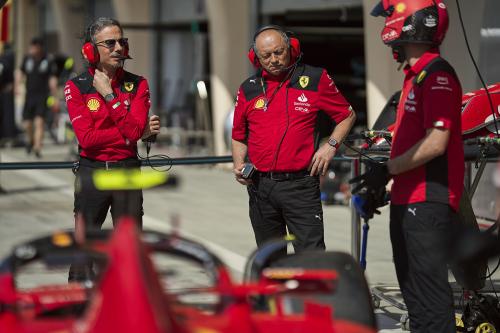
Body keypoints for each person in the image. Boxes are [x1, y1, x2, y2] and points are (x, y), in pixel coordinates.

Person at [352, 1, 463, 331]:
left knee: (430, 298)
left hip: (428, 203)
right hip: (408, 200)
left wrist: (386, 170)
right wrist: (384, 188)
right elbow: (410, 145)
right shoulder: (414, 78)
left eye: (389, 16)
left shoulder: (437, 74)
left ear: (409, 21)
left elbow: (435, 143)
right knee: (414, 298)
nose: (386, 25)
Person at [232, 25, 356, 254]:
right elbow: (239, 134)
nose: (273, 60)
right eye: (266, 56)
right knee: (270, 259)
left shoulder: (316, 78)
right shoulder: (248, 88)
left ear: (291, 48)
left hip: (301, 185)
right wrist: (239, 164)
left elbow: (347, 115)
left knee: (311, 257)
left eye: (278, 52)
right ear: (255, 58)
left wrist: (330, 147)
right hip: (261, 187)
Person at [64, 17, 159, 281]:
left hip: (127, 172)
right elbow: (87, 139)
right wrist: (136, 131)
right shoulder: (76, 86)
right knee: (83, 249)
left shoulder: (138, 83)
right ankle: (78, 309)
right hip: (92, 171)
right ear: (90, 50)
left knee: (130, 250)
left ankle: (131, 308)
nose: (119, 47)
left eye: (122, 41)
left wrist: (108, 95)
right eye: (110, 43)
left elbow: (133, 133)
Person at [16, 37, 59, 158]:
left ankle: (37, 148)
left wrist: (55, 96)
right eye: (31, 47)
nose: (32, 49)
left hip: (42, 96)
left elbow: (52, 79)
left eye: (34, 47)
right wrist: (17, 86)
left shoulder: (48, 60)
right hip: (29, 95)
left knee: (39, 122)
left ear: (40, 48)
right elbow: (20, 72)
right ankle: (31, 141)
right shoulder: (27, 59)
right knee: (27, 124)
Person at [0, 43, 18, 146]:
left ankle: (7, 137)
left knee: (6, 116)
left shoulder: (5, 62)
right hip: (4, 92)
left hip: (4, 92)